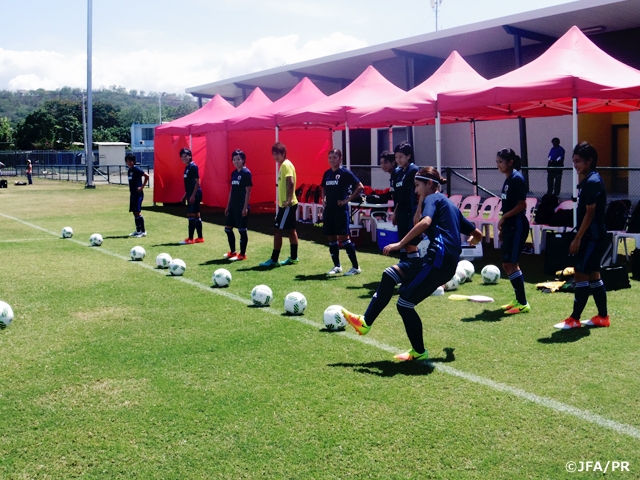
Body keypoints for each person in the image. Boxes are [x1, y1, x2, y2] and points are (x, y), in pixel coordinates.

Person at [341, 167, 483, 361]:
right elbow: (477, 234)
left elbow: (424, 223)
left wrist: (400, 243)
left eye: (418, 186)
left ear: (430, 184)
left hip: (439, 259)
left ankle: (419, 352)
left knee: (404, 303)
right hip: (441, 260)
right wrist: (472, 241)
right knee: (390, 274)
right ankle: (365, 322)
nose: (416, 190)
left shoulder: (434, 198)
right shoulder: (449, 205)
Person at [554, 142, 609, 329]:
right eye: (574, 161)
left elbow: (590, 213)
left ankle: (575, 319)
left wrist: (578, 237)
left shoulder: (592, 181)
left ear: (589, 161)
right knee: (593, 275)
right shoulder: (589, 180)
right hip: (594, 236)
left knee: (581, 274)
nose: (575, 165)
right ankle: (603, 317)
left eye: (578, 161)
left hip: (593, 237)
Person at [496, 148, 531, 315]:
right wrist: (504, 225)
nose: (498, 165)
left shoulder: (517, 178)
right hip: (510, 225)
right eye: (497, 162)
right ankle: (518, 299)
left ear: (510, 162)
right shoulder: (508, 179)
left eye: (501, 162)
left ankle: (523, 303)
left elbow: (522, 205)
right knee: (506, 264)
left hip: (517, 225)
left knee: (511, 263)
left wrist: (504, 218)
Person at [322, 148, 364, 276]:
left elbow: (360, 186)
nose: (332, 160)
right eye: (330, 158)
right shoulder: (327, 173)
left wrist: (347, 200)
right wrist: (323, 198)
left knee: (344, 238)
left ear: (340, 159)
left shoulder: (345, 173)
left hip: (340, 210)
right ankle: (337, 266)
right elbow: (323, 187)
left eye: (335, 157)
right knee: (331, 237)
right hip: (329, 210)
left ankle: (356, 267)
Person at [259, 142, 299, 267]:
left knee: (277, 230)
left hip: (287, 205)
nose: (275, 157)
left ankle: (274, 260)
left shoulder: (286, 165)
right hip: (288, 204)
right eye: (274, 154)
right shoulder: (284, 165)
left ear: (283, 154)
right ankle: (293, 258)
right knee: (291, 230)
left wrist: (288, 200)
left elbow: (290, 182)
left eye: (277, 154)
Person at [391, 142, 420, 261]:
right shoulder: (397, 172)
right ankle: (403, 268)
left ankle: (415, 268)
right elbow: (398, 196)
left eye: (401, 157)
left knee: (411, 243)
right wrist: (395, 212)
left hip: (411, 211)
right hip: (401, 212)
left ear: (408, 156)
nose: (398, 160)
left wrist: (418, 211)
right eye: (396, 157)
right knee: (402, 242)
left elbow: (418, 192)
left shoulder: (413, 170)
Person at [223, 149, 252, 261]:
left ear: (243, 160)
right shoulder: (234, 173)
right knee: (228, 229)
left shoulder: (246, 173)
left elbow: (248, 191)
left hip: (241, 206)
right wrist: (228, 205)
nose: (236, 161)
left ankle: (242, 254)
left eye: (238, 159)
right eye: (234, 159)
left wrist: (245, 207)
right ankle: (233, 252)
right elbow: (232, 190)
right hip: (233, 206)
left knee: (242, 230)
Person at [179, 147, 204, 245]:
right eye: (182, 157)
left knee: (190, 215)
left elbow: (197, 182)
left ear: (190, 156)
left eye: (186, 156)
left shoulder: (193, 166)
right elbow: (189, 183)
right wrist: (185, 195)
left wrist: (192, 196)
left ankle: (190, 239)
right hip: (190, 194)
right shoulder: (187, 167)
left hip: (196, 194)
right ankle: (200, 237)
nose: (184, 158)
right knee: (197, 215)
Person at [125, 153, 149, 237]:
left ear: (133, 161)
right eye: (127, 161)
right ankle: (138, 230)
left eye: (131, 161)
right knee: (134, 213)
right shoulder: (129, 171)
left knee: (138, 212)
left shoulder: (136, 169)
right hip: (132, 194)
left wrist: (142, 187)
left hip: (138, 194)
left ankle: (143, 231)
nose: (129, 163)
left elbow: (147, 176)